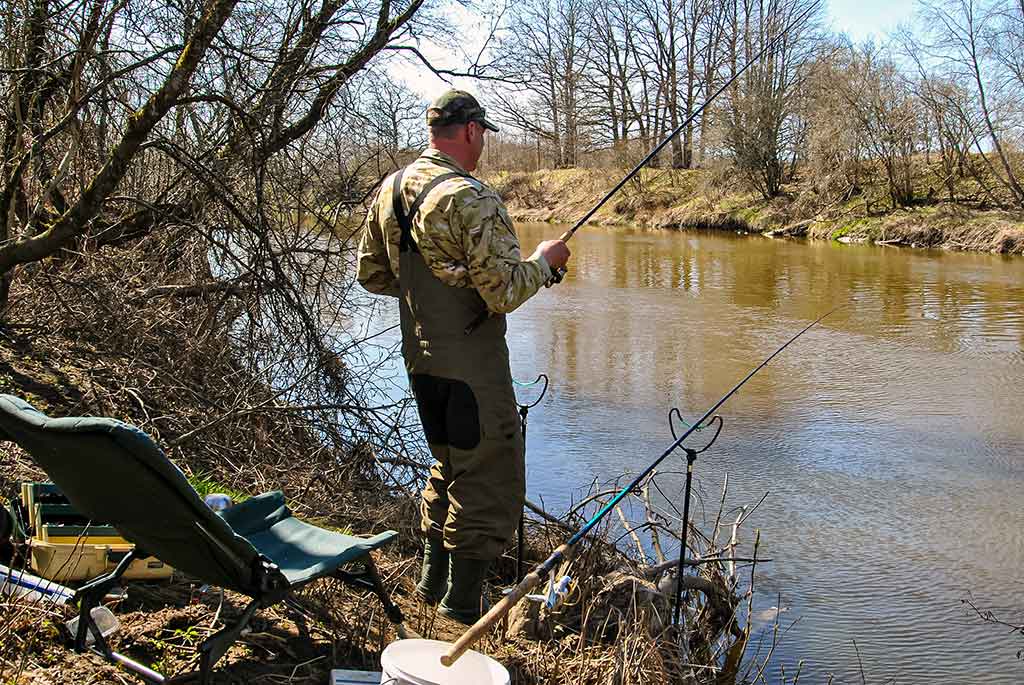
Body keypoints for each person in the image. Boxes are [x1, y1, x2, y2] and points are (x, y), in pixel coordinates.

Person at [356, 90, 570, 624]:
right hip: (472, 367)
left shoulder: (392, 189)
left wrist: (439, 281)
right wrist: (544, 262)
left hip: (419, 359)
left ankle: (429, 589)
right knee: (488, 475)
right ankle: (459, 610)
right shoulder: (472, 197)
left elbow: (373, 275)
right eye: (483, 136)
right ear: (472, 131)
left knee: (448, 466)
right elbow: (502, 293)